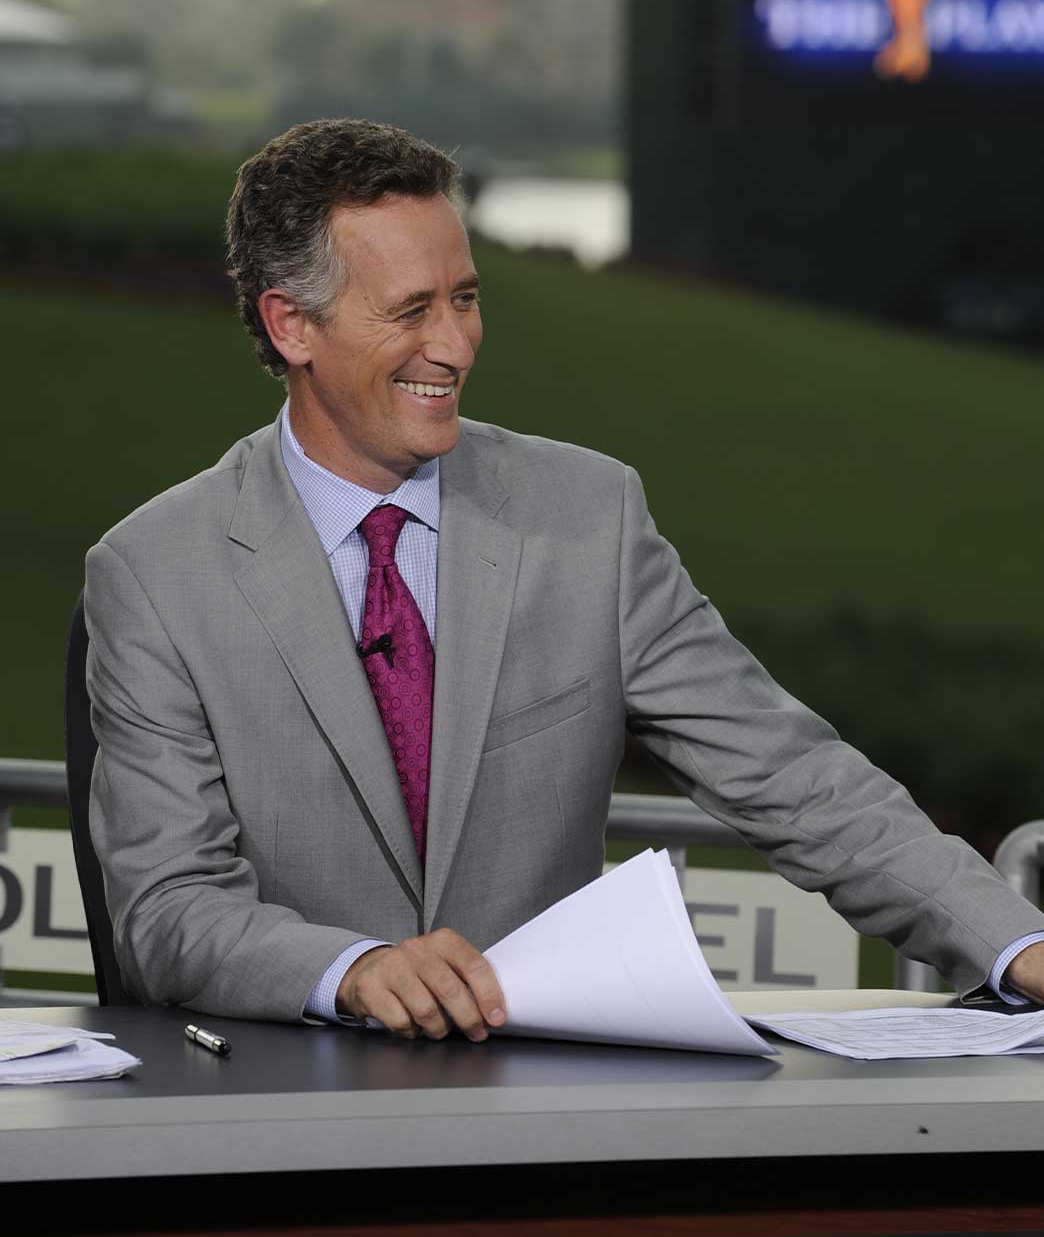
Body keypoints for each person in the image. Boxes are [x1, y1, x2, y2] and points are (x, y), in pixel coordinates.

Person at [84, 117, 1044, 1033]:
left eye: (465, 298)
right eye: (411, 310)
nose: (456, 345)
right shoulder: (156, 575)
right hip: (280, 1103)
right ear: (292, 325)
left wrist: (1018, 944)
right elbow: (168, 909)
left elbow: (794, 778)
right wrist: (353, 970)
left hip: (541, 1100)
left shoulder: (589, 517)